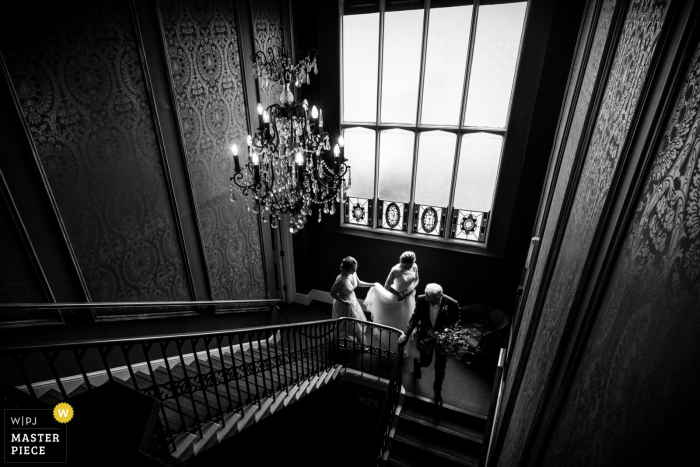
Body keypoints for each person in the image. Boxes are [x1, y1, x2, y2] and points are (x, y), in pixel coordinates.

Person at [398, 283, 459, 406]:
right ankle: (418, 362)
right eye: (426, 297)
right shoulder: (421, 299)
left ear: (440, 296)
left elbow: (456, 323)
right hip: (426, 338)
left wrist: (449, 337)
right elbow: (414, 318)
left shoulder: (452, 304)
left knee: (440, 368)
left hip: (443, 341)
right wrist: (406, 334)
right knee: (426, 362)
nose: (427, 300)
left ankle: (437, 393)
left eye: (431, 300)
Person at [363, 251, 419, 333]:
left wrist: (410, 290)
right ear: (401, 262)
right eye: (405, 266)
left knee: (406, 318)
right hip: (397, 296)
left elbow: (417, 280)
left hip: (409, 295)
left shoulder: (414, 266)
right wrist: (399, 294)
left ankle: (403, 336)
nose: (407, 268)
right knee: (394, 318)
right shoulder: (395, 270)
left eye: (409, 266)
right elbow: (387, 286)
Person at [330, 256, 374, 344]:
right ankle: (335, 340)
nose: (354, 271)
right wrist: (343, 301)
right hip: (343, 303)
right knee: (343, 324)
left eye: (355, 269)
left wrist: (372, 284)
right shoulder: (340, 280)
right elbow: (332, 293)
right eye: (352, 269)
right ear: (345, 269)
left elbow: (359, 282)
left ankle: (360, 344)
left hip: (352, 300)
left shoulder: (353, 274)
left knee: (354, 323)